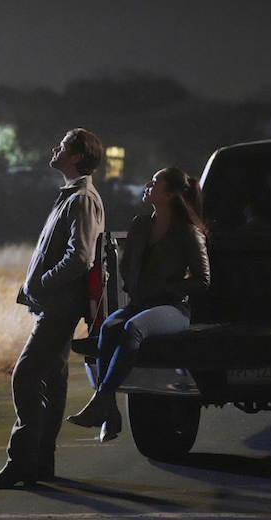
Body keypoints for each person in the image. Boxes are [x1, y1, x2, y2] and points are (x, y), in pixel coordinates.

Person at [0, 128, 105, 489]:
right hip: (56, 304)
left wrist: (41, 283)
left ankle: (21, 463)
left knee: (26, 376)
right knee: (51, 380)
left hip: (60, 306)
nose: (55, 149)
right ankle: (40, 462)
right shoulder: (73, 196)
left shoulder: (81, 198)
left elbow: (80, 257)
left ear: (76, 156)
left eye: (62, 145)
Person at [66, 167, 210, 442]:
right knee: (110, 327)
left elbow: (203, 280)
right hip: (140, 303)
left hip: (173, 308)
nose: (147, 185)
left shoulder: (188, 232)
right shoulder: (141, 224)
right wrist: (134, 285)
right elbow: (127, 263)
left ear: (170, 194)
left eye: (155, 182)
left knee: (133, 328)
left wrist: (167, 288)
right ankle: (109, 410)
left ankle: (102, 400)